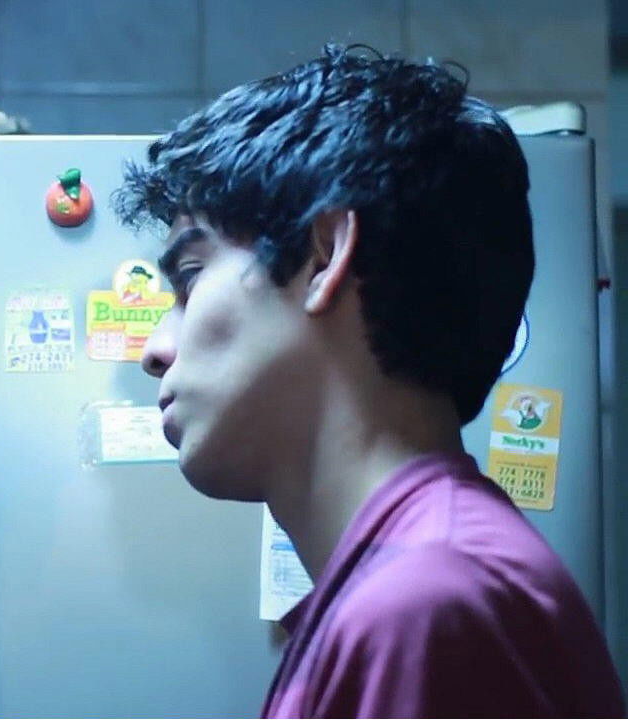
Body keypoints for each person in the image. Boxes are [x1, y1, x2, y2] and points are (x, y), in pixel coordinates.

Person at [117, 45, 624, 717]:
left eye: (189, 278)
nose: (155, 350)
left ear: (324, 255)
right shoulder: (405, 585)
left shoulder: (425, 603)